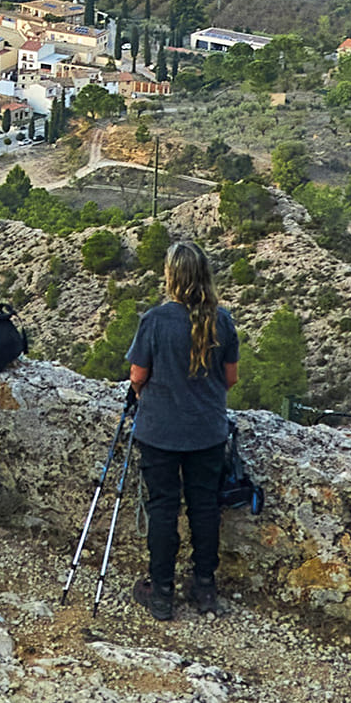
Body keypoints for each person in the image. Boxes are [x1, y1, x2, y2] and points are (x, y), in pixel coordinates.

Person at [122, 242, 240, 620]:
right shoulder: (222, 321)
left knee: (163, 509)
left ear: (171, 276)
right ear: (205, 275)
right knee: (205, 507)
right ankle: (204, 586)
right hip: (206, 431)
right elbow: (230, 379)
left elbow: (138, 375)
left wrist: (148, 392)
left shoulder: (154, 321)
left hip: (160, 431)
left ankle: (161, 592)